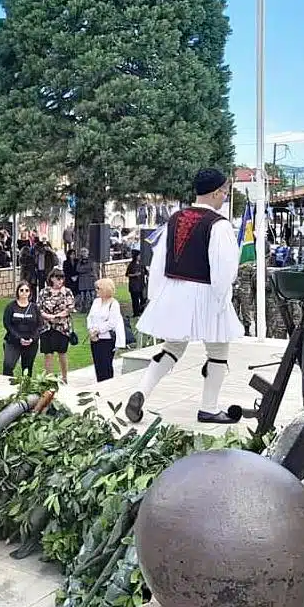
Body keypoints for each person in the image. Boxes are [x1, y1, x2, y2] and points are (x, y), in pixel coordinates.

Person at [125, 168, 241, 425]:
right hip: (207, 293)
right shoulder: (218, 224)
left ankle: (141, 390)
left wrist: (156, 296)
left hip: (175, 292)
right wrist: (223, 299)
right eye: (224, 192)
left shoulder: (174, 219)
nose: (225, 196)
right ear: (215, 192)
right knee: (218, 349)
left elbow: (158, 261)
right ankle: (209, 408)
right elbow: (224, 267)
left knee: (172, 347)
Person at [37, 266, 75, 383]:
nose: (60, 281)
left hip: (61, 327)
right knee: (48, 354)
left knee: (62, 353)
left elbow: (70, 308)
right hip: (46, 327)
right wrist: (48, 316)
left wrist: (56, 316)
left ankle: (64, 377)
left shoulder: (67, 292)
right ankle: (49, 379)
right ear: (52, 278)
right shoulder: (44, 292)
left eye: (62, 278)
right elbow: (39, 307)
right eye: (58, 278)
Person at [87, 277, 127, 382]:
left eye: (98, 288)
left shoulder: (114, 304)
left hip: (107, 339)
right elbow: (90, 317)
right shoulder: (96, 302)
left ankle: (108, 385)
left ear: (105, 289)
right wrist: (91, 330)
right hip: (94, 338)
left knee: (106, 365)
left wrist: (97, 330)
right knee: (98, 365)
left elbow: (112, 323)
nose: (96, 290)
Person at [1, 281, 40, 376]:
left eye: (27, 290)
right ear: (17, 292)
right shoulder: (11, 306)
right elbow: (7, 324)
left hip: (30, 343)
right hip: (13, 341)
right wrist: (18, 338)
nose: (24, 293)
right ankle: (7, 383)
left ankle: (25, 385)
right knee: (8, 365)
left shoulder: (34, 307)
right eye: (21, 290)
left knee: (27, 369)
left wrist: (32, 338)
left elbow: (39, 325)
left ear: (30, 292)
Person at [125, 248, 148, 316]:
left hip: (141, 285)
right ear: (136, 256)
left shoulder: (142, 264)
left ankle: (141, 311)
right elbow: (127, 274)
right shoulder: (131, 265)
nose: (140, 257)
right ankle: (136, 313)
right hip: (134, 286)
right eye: (139, 255)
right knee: (135, 300)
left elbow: (146, 272)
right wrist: (134, 275)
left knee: (143, 299)